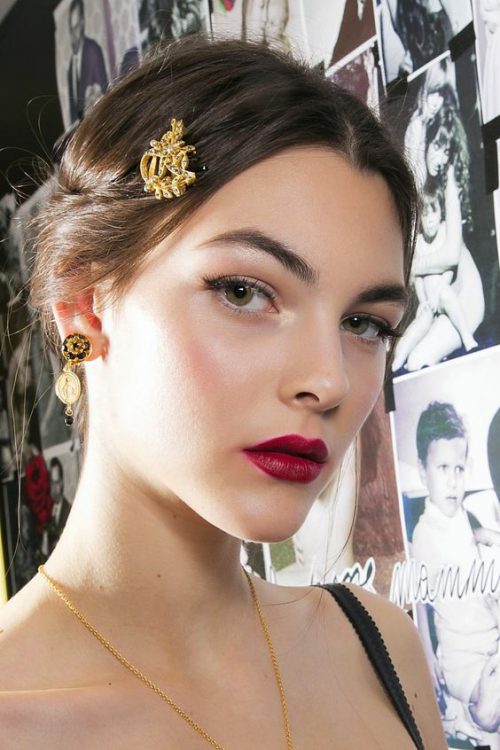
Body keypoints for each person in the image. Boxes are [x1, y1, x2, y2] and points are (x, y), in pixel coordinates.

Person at [0, 36, 445, 748]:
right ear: (84, 306)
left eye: (364, 323)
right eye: (243, 292)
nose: (328, 380)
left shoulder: (379, 648)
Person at [412, 402, 500, 745]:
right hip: (462, 661)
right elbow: (419, 601)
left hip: (491, 643)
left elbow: (475, 549)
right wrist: (426, 653)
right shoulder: (424, 534)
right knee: (489, 706)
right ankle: (472, 718)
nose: (452, 482)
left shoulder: (466, 516)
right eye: (443, 468)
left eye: (459, 469)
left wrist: (487, 536)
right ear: (423, 472)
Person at [67, 0, 109, 124]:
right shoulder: (70, 67)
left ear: (82, 24)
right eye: (71, 29)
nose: (73, 35)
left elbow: (104, 93)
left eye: (75, 28)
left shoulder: (93, 51)